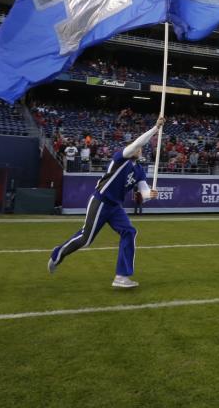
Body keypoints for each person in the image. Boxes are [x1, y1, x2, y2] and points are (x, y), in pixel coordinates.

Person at [48, 116, 164, 288]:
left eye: (140, 148)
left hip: (115, 206)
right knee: (86, 239)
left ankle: (121, 276)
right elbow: (137, 143)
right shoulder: (120, 158)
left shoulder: (139, 170)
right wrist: (155, 128)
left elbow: (144, 192)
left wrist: (151, 194)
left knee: (129, 232)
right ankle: (57, 255)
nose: (139, 149)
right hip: (101, 201)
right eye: (137, 147)